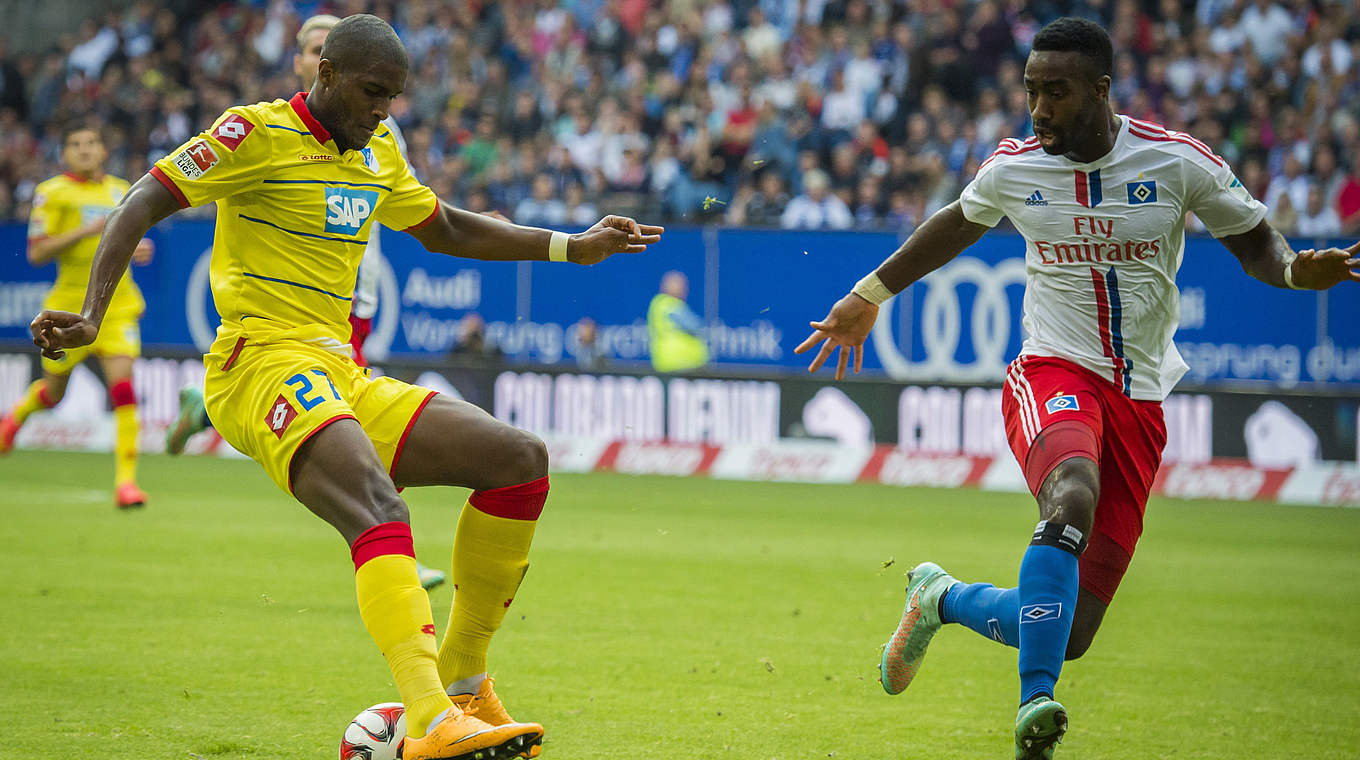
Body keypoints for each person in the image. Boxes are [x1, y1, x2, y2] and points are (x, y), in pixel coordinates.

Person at [31, 14, 662, 760]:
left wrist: (570, 247)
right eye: (371, 93)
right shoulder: (253, 135)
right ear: (324, 74)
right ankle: (429, 718)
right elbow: (143, 197)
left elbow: (446, 230)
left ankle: (462, 680)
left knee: (517, 459)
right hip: (258, 362)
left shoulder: (378, 149)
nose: (382, 111)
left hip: (339, 370)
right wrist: (95, 313)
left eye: (393, 98)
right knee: (376, 505)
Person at [794, 18, 1359, 760]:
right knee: (1072, 495)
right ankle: (1035, 703)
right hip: (1052, 371)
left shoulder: (1176, 160)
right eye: (1031, 91)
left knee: (1072, 627)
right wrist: (869, 292)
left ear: (1100, 90)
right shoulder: (1015, 167)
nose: (1038, 109)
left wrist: (1292, 271)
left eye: (1056, 93)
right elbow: (956, 223)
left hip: (1140, 397)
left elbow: (1253, 238)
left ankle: (939, 598)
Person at [163, 13, 449, 592]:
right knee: (341, 426)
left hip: (354, 293)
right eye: (314, 46)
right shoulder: (263, 136)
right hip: (284, 328)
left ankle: (204, 408)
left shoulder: (380, 135)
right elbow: (159, 191)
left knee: (347, 413)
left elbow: (422, 210)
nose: (382, 104)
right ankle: (388, 536)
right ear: (309, 66)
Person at [1, 121, 155, 509]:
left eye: (92, 143)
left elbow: (129, 238)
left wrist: (138, 248)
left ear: (104, 151)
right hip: (67, 311)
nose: (85, 150)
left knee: (123, 389)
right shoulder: (51, 193)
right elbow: (36, 253)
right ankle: (15, 419)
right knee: (53, 393)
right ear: (64, 153)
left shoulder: (123, 190)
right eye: (75, 144)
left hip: (117, 308)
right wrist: (88, 230)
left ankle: (126, 484)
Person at [647, 270, 707, 373]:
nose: (684, 289)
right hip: (678, 365)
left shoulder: (664, 304)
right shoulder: (668, 304)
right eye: (679, 285)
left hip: (677, 365)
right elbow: (694, 326)